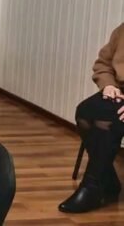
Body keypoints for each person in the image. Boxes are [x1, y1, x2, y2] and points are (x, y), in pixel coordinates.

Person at [58, 22, 124, 213]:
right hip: (119, 91)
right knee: (85, 113)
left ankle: (92, 187)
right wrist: (108, 85)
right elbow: (103, 64)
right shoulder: (121, 30)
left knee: (109, 120)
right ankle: (106, 178)